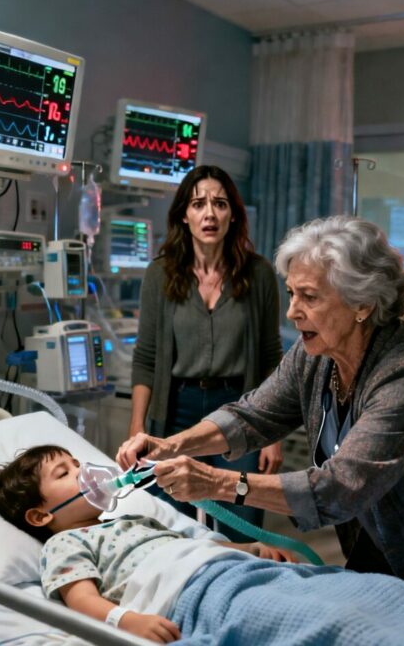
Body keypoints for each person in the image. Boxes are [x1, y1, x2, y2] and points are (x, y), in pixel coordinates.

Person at [118, 216, 404, 602]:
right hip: (387, 522)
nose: (292, 311)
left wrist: (214, 483)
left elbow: (339, 487)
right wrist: (170, 445)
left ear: (362, 304)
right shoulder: (314, 355)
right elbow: (252, 415)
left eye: (310, 297)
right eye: (291, 293)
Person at [0, 445, 404, 646]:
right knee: (350, 623)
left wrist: (253, 551)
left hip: (240, 574)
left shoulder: (131, 518)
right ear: (41, 514)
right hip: (204, 603)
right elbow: (79, 598)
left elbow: (194, 542)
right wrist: (127, 621)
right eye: (66, 473)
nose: (87, 472)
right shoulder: (65, 546)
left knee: (387, 595)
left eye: (78, 460)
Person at [130, 164, 283, 541]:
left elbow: (270, 358)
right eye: (199, 204)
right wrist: (138, 428)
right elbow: (146, 357)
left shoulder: (259, 274)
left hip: (241, 410)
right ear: (184, 215)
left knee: (241, 524)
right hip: (176, 410)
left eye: (220, 203)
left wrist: (273, 435)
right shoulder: (160, 274)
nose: (209, 213)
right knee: (170, 526)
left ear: (233, 215)